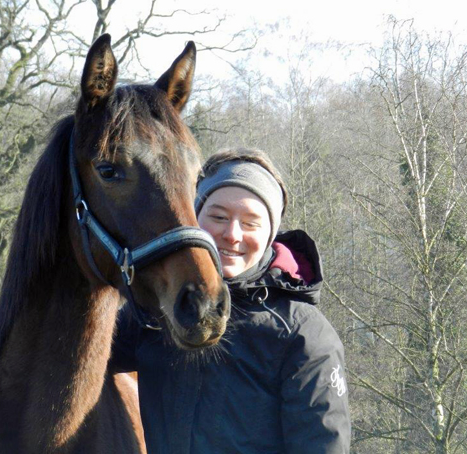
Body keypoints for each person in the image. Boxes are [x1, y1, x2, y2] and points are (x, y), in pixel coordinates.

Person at [111, 148, 351, 454]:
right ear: (194, 218)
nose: (232, 234)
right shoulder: (159, 309)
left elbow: (322, 446)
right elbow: (76, 353)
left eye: (251, 223)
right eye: (218, 216)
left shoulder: (302, 335)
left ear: (270, 235)